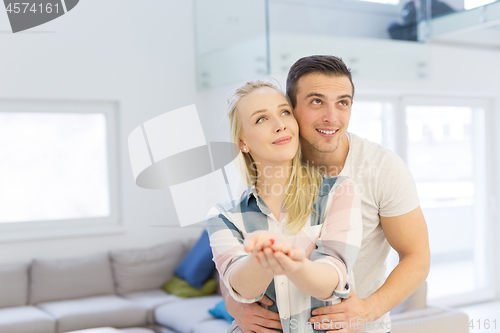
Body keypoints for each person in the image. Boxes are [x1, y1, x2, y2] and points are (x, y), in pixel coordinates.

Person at [223, 55, 431, 333]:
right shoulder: (264, 170)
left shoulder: (381, 168)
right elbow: (231, 251)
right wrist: (233, 302)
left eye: (342, 102)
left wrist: (368, 309)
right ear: (292, 108)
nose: (332, 117)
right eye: (317, 101)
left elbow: (417, 256)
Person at [207, 81, 363, 332]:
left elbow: (331, 280)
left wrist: (290, 260)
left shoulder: (339, 191)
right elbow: (241, 289)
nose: (279, 124)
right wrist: (264, 257)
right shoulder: (223, 216)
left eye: (284, 112)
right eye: (261, 119)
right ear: (243, 143)